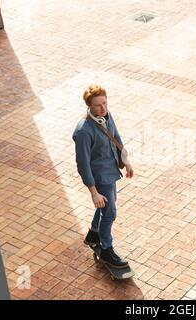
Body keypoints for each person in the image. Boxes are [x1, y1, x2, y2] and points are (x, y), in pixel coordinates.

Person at [72, 84, 134, 268]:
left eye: (105, 103)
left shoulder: (106, 115)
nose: (104, 108)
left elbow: (116, 137)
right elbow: (82, 165)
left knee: (106, 204)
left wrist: (126, 160)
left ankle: (93, 233)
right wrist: (93, 192)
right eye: (98, 105)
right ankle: (106, 250)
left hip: (111, 170)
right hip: (99, 178)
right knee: (110, 212)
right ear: (89, 106)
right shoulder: (83, 131)